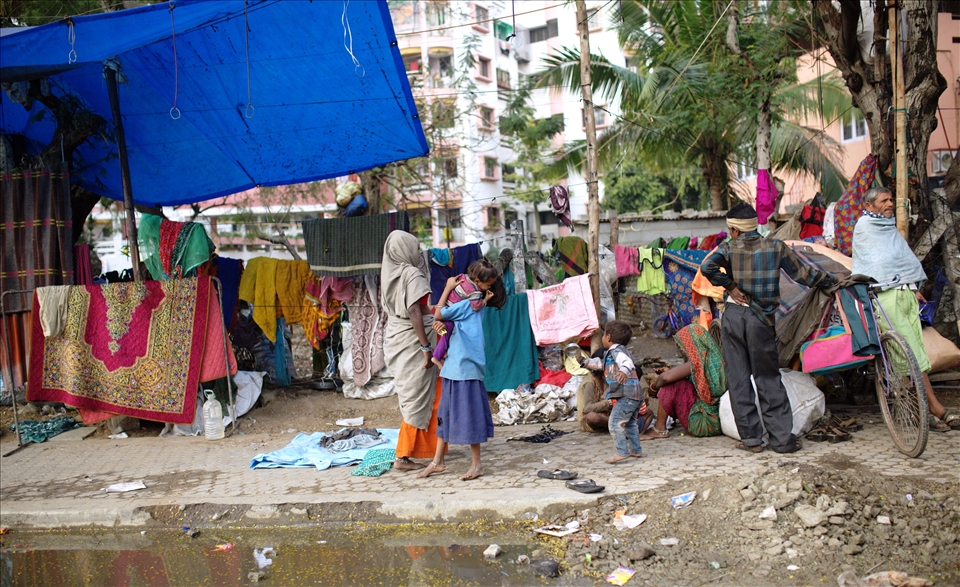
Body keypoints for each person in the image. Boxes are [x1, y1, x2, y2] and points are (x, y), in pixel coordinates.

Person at [702, 203, 835, 453]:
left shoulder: (728, 248)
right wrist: (833, 280)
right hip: (761, 320)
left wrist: (731, 287)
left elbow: (706, 267)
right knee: (768, 378)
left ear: (734, 230)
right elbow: (804, 275)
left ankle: (752, 440)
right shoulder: (776, 246)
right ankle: (782, 440)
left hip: (733, 317)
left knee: (738, 379)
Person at [851, 187, 959, 431]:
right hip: (886, 296)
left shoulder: (888, 227)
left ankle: (920, 411)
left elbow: (901, 259)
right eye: (884, 201)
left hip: (906, 293)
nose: (890, 204)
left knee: (915, 351)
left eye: (891, 199)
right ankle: (935, 407)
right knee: (909, 353)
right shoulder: (865, 227)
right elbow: (877, 264)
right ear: (869, 206)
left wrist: (910, 283)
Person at [418, 260, 506, 480]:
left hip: (465, 368)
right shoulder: (474, 304)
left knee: (470, 416)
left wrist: (448, 287)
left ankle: (476, 465)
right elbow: (446, 326)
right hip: (454, 367)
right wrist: (442, 328)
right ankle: (437, 462)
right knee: (444, 415)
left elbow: (438, 314)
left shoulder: (468, 305)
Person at [380, 231, 439, 471]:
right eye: (415, 249)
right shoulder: (411, 274)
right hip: (413, 342)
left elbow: (421, 309)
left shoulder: (389, 274)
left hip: (396, 337)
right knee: (416, 397)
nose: (418, 254)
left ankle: (429, 449)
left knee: (420, 395)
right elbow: (414, 311)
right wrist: (426, 347)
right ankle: (403, 456)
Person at [640, 324, 726, 440]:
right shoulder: (714, 360)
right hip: (716, 420)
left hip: (702, 422)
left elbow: (665, 378)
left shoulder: (697, 362)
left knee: (672, 385)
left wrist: (653, 388)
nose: (682, 350)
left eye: (683, 346)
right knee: (678, 382)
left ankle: (659, 428)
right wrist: (671, 372)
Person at [579, 320, 648, 463]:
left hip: (626, 395)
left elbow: (627, 364)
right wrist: (584, 361)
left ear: (608, 337)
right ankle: (636, 449)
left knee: (615, 423)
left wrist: (623, 372)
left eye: (603, 335)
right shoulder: (616, 353)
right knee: (630, 423)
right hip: (635, 395)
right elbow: (599, 364)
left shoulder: (616, 351)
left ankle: (621, 451)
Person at [431, 262, 498, 369]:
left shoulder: (463, 277)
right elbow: (476, 306)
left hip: (446, 306)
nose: (489, 287)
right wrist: (485, 300)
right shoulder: (474, 293)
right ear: (477, 281)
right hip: (448, 313)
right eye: (488, 285)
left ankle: (439, 355)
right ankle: (436, 357)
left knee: (445, 335)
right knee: (446, 336)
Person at [576, 349, 613, 432]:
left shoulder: (604, 379)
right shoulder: (589, 383)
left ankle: (613, 423)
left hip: (605, 413)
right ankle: (616, 424)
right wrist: (608, 403)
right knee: (593, 417)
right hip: (589, 418)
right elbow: (588, 408)